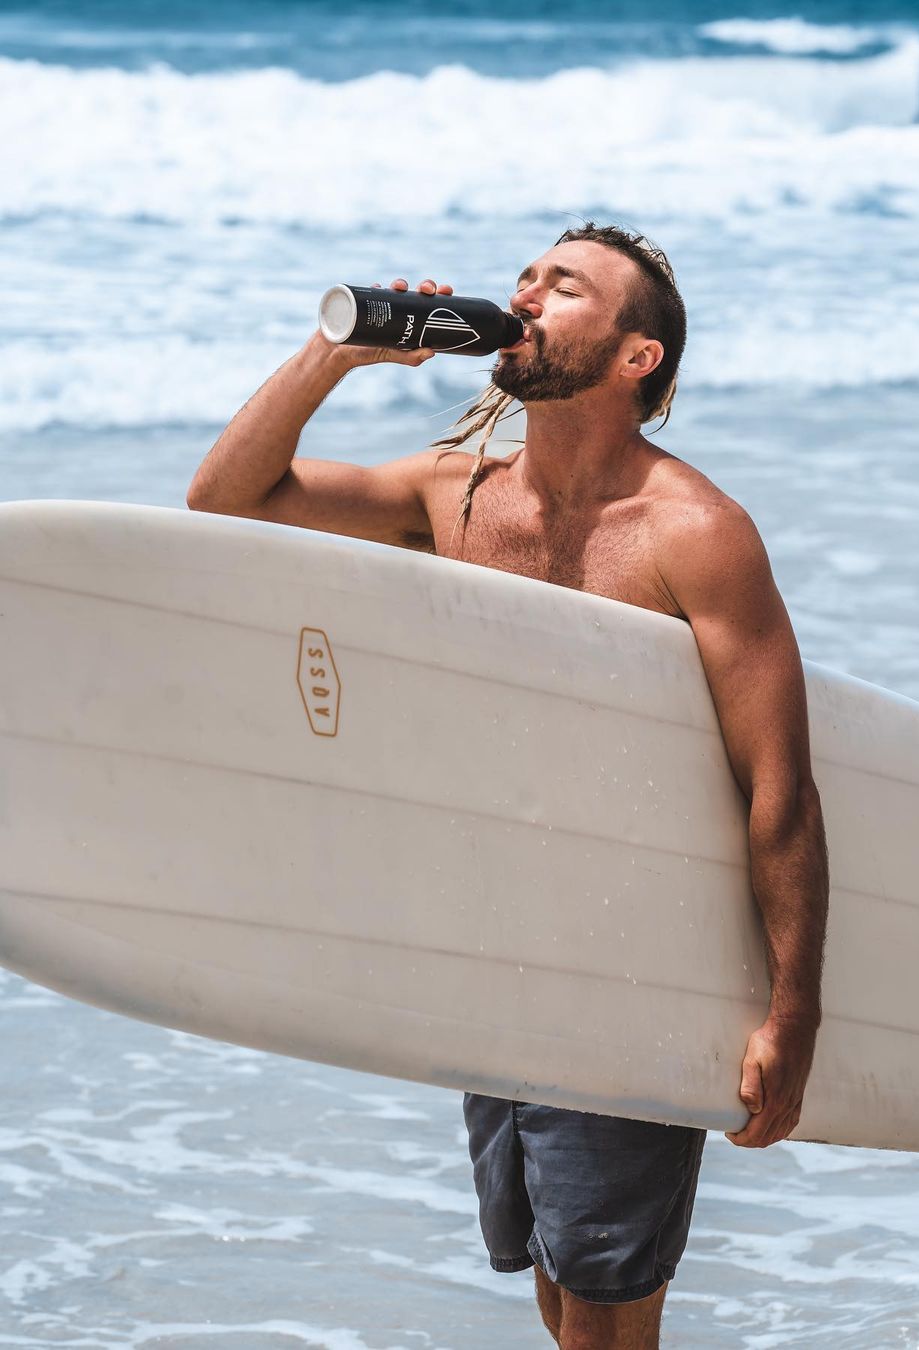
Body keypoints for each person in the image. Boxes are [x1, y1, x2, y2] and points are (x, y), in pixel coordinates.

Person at [187, 222, 829, 1350]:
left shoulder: (697, 535)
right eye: (524, 275)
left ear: (638, 357)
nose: (524, 294)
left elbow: (776, 787)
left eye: (563, 286)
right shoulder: (455, 495)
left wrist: (791, 1013)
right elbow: (229, 501)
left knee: (605, 1306)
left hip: (635, 953)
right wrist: (334, 357)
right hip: (495, 949)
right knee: (553, 1279)